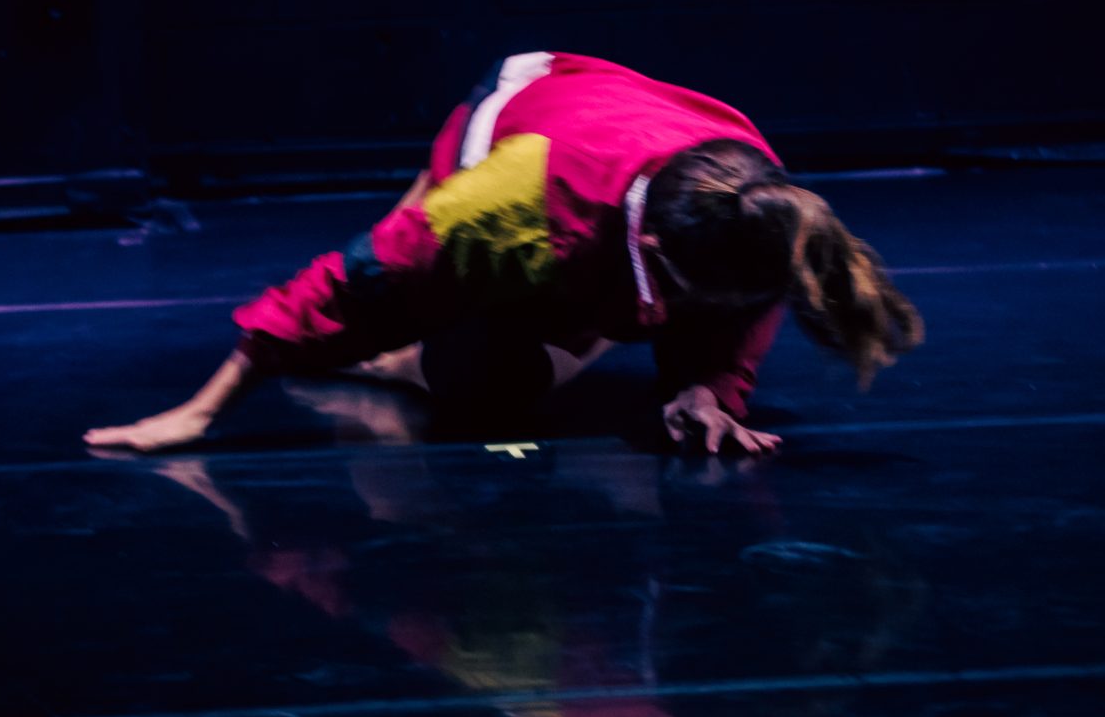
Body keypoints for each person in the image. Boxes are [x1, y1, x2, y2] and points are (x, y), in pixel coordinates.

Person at [81, 50, 924, 453]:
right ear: (654, 247)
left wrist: (710, 389)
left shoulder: (751, 192)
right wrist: (206, 408)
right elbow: (352, 278)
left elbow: (743, 307)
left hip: (604, 116)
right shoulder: (505, 207)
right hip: (505, 130)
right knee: (467, 371)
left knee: (541, 365)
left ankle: (572, 326)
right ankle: (404, 361)